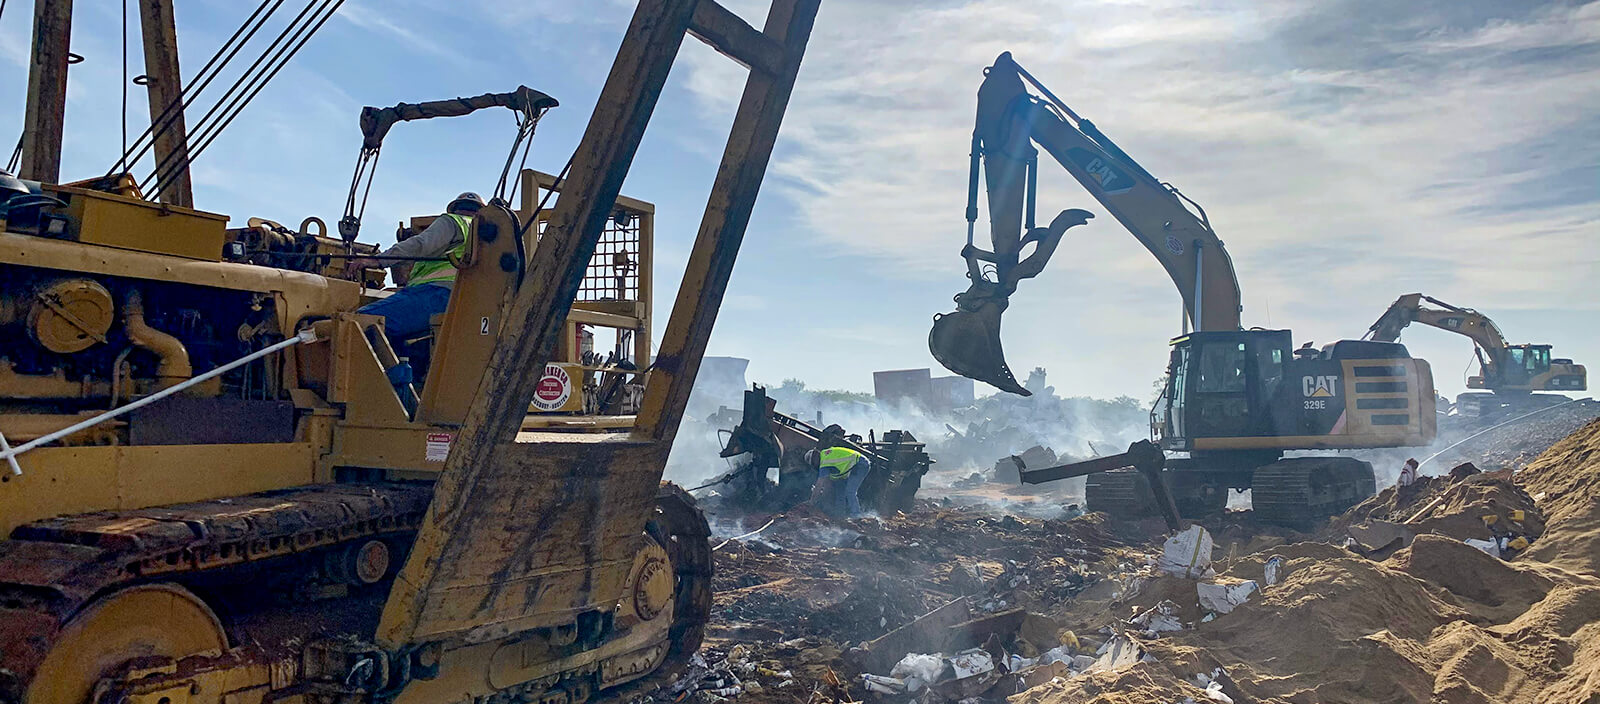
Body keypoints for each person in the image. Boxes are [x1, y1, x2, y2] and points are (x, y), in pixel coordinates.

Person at [351, 192, 485, 342]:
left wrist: (378, 260)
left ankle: (393, 366)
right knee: (401, 340)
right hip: (466, 301)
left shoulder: (453, 221)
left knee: (358, 322)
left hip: (435, 295)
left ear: (455, 209)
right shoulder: (487, 236)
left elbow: (421, 245)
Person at [808, 431, 871, 517]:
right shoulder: (825, 455)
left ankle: (856, 516)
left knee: (850, 491)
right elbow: (826, 485)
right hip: (853, 466)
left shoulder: (824, 462)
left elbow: (819, 485)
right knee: (840, 491)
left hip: (860, 464)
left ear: (814, 458)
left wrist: (811, 502)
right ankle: (840, 516)